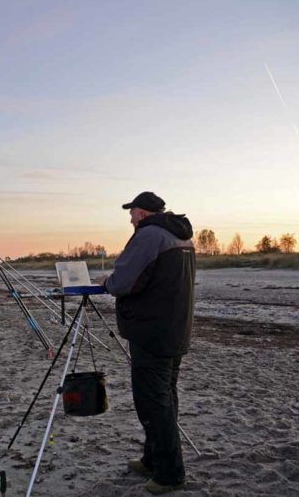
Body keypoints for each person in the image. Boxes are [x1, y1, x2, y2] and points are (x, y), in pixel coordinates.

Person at [97, 191, 195, 495]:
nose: (130, 218)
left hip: (151, 332)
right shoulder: (180, 236)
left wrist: (106, 283)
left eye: (132, 212)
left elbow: (124, 281)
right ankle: (152, 460)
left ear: (142, 213)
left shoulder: (149, 235)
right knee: (165, 398)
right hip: (174, 329)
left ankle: (169, 474)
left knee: (153, 403)